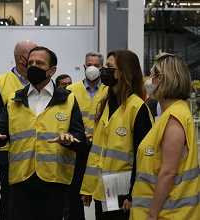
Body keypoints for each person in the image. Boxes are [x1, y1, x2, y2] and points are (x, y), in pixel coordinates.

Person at [0, 46, 86, 220]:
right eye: (30, 63)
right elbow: (1, 135)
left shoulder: (68, 99)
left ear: (52, 70)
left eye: (39, 63)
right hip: (20, 179)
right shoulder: (15, 99)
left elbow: (79, 137)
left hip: (54, 180)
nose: (33, 66)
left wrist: (70, 140)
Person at [80, 49, 153, 220]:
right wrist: (88, 188)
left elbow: (144, 158)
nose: (102, 71)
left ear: (123, 73)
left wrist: (132, 194)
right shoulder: (105, 104)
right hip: (102, 190)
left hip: (124, 193)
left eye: (109, 66)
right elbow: (97, 152)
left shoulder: (138, 108)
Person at [130, 53, 200, 219]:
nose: (148, 79)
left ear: (160, 78)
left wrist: (152, 214)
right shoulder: (171, 114)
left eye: (151, 74)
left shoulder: (174, 117)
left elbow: (168, 173)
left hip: (167, 214)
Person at [0, 40, 37, 220]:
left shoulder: (43, 82)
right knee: (11, 205)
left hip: (40, 156)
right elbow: (0, 122)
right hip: (10, 156)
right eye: (32, 57)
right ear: (21, 58)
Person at [65, 51, 107, 220]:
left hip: (100, 151)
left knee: (101, 194)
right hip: (77, 150)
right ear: (84, 66)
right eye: (89, 65)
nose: (92, 68)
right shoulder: (71, 90)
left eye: (96, 66)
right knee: (73, 196)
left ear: (101, 68)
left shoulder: (109, 91)